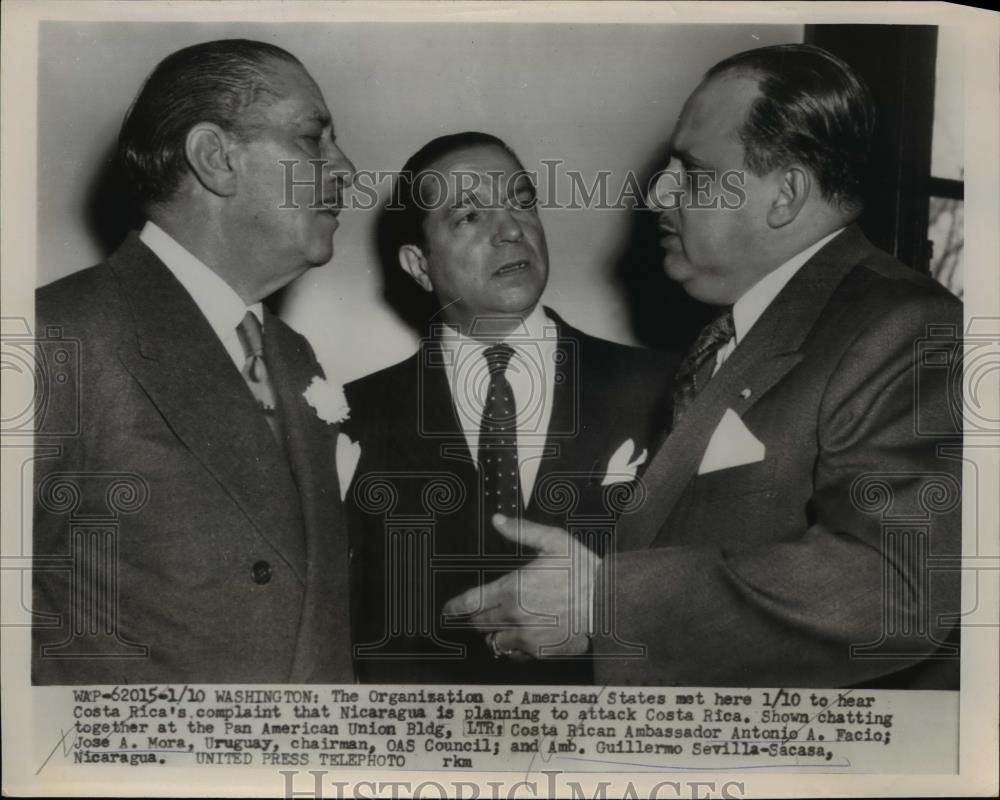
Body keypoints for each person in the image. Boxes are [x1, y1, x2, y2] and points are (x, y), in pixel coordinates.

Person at [444, 44, 963, 688]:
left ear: (786, 195)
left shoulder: (906, 326)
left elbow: (898, 582)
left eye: (691, 171)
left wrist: (603, 603)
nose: (658, 192)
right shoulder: (748, 328)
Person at [32, 39, 357, 683]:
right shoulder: (56, 333)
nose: (345, 167)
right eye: (312, 140)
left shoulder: (293, 356)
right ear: (216, 159)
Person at [344, 132, 674, 683]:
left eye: (521, 202)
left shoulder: (661, 387)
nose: (510, 230)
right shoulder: (352, 415)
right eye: (470, 216)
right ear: (418, 265)